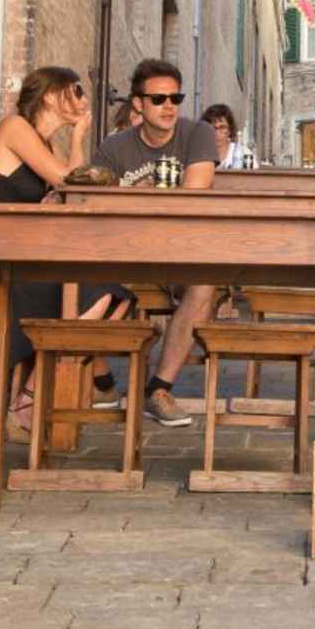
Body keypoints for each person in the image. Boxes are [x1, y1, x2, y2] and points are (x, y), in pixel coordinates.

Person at [0, 66, 133, 442]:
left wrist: (76, 140)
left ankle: (31, 392)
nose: (82, 99)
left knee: (113, 296)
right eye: (75, 90)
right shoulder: (14, 128)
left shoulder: (50, 147)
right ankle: (32, 398)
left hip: (20, 258)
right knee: (99, 292)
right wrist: (77, 141)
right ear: (50, 95)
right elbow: (67, 181)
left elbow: (73, 191)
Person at [93, 58, 220, 426]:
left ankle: (159, 390)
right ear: (138, 103)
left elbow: (194, 196)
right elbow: (97, 202)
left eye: (175, 98)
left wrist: (135, 197)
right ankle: (101, 381)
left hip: (179, 250)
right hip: (126, 251)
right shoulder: (114, 147)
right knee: (72, 274)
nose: (169, 106)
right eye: (158, 99)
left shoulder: (197, 134)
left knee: (205, 283)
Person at [200, 103, 241, 169]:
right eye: (213, 128)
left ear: (230, 130)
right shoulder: (198, 154)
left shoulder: (241, 153)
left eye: (222, 127)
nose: (217, 132)